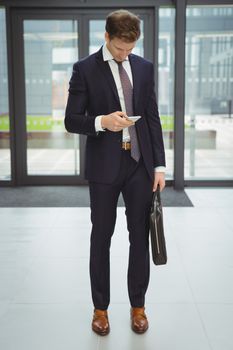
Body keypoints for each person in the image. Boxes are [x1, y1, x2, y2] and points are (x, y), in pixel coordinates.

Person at [65, 9, 166, 336]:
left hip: (140, 165)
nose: (126, 55)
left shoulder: (145, 68)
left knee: (140, 237)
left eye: (131, 49)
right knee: (101, 237)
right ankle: (100, 309)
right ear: (107, 37)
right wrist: (101, 122)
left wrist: (160, 166)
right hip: (104, 167)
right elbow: (71, 120)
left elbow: (152, 118)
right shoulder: (84, 70)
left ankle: (138, 306)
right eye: (121, 48)